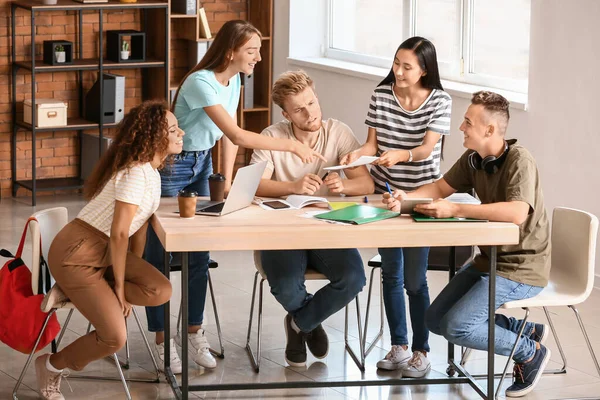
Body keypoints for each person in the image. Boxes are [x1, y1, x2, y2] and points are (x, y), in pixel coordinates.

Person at [143, 21, 325, 372]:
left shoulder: (235, 81)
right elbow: (238, 134)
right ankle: (163, 340)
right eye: (252, 50)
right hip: (172, 164)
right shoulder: (200, 82)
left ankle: (194, 333)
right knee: (161, 254)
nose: (258, 57)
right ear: (231, 51)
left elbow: (226, 139)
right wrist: (287, 144)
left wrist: (222, 180)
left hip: (201, 163)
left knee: (199, 254)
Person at [384, 91, 551, 397]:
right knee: (435, 319)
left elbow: (516, 213)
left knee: (457, 327)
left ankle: (528, 352)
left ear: (489, 130)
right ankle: (520, 329)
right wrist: (405, 198)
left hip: (521, 268)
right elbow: (439, 187)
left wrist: (457, 210)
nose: (461, 127)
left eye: (467, 122)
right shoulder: (474, 160)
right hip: (488, 261)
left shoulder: (519, 160)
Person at [35, 101, 178, 400]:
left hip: (104, 252)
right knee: (114, 338)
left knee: (160, 290)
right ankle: (51, 364)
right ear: (154, 138)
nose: (182, 133)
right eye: (174, 129)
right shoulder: (136, 173)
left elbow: (138, 228)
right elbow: (120, 232)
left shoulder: (152, 172)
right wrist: (121, 293)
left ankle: (77, 291)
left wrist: (125, 277)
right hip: (76, 254)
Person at [341, 37, 452, 377]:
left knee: (415, 280)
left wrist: (401, 155)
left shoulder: (440, 101)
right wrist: (355, 155)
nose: (398, 72)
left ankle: (422, 350)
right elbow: (371, 144)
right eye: (396, 63)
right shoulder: (381, 95)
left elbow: (426, 148)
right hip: (384, 192)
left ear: (424, 70)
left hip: (421, 193)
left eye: (407, 67)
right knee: (392, 273)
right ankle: (399, 347)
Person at [250, 70, 372, 367]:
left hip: (326, 228)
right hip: (282, 230)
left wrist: (344, 185)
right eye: (299, 109)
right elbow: (255, 185)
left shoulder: (338, 132)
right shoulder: (272, 136)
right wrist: (292, 186)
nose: (310, 113)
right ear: (286, 114)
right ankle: (310, 323)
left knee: (354, 278)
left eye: (312, 103)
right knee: (287, 286)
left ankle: (298, 324)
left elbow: (366, 185)